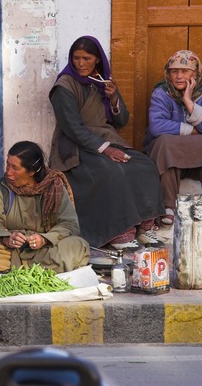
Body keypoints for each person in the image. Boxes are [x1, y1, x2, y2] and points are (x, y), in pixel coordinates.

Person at [49, 35, 165, 253]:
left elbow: (121, 121)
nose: (80, 63)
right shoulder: (64, 86)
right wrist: (105, 149)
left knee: (145, 166)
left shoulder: (103, 82)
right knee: (111, 171)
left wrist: (113, 99)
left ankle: (145, 227)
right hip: (75, 145)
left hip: (107, 139)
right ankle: (120, 232)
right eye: (76, 58)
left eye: (86, 58)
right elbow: (73, 128)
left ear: (98, 60)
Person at [144, 50, 202, 229]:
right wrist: (192, 130)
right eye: (174, 71)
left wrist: (188, 102)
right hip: (170, 155)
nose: (178, 76)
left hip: (198, 160)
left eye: (185, 71)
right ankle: (167, 206)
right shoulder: (161, 92)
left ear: (195, 73)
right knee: (164, 142)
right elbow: (157, 126)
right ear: (168, 74)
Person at [0, 141, 90, 275]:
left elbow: (69, 224)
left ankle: (13, 268)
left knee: (79, 246)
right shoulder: (2, 188)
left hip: (45, 249)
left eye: (15, 168)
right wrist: (6, 238)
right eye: (7, 164)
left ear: (32, 171)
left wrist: (45, 239)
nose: (8, 172)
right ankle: (40, 270)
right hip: (14, 249)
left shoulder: (54, 187)